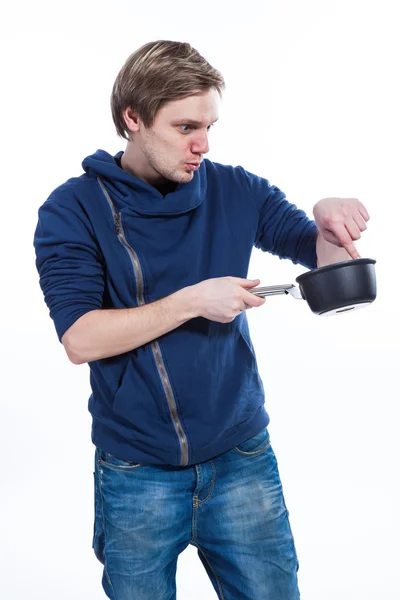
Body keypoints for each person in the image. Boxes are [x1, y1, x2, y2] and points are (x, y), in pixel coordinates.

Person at [33, 40, 370, 600]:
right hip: (136, 473)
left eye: (210, 126)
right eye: (185, 126)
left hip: (242, 458)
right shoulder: (73, 210)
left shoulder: (235, 188)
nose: (202, 144)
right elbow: (80, 338)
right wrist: (192, 301)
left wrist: (329, 224)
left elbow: (322, 258)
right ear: (132, 118)